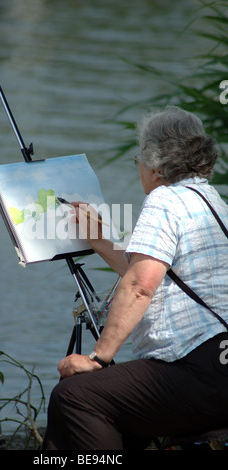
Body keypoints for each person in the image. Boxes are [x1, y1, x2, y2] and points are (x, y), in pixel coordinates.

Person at [43, 106, 228, 450]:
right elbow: (155, 274)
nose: (138, 168)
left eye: (138, 160)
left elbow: (140, 286)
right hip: (220, 366)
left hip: (199, 371)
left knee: (74, 397)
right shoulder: (213, 202)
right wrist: (100, 240)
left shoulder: (164, 200)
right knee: (116, 406)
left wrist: (98, 358)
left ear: (156, 166)